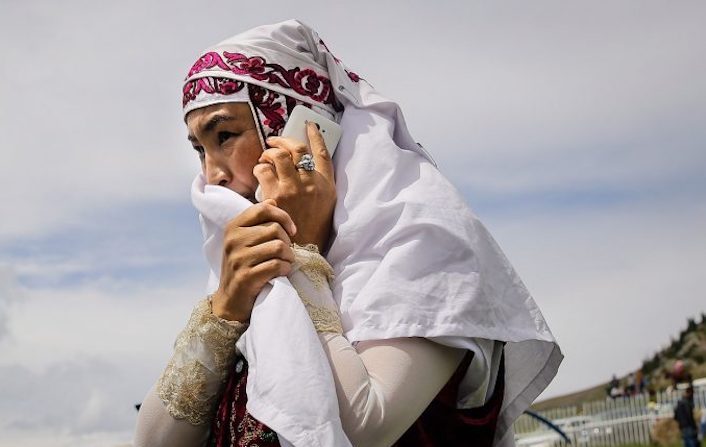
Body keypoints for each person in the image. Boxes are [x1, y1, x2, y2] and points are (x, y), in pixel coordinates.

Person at [133, 20, 562, 447]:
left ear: (300, 129)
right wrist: (225, 309)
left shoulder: (423, 240)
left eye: (224, 136)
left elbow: (363, 428)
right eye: (198, 150)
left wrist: (301, 255)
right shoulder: (243, 280)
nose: (212, 176)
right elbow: (155, 441)